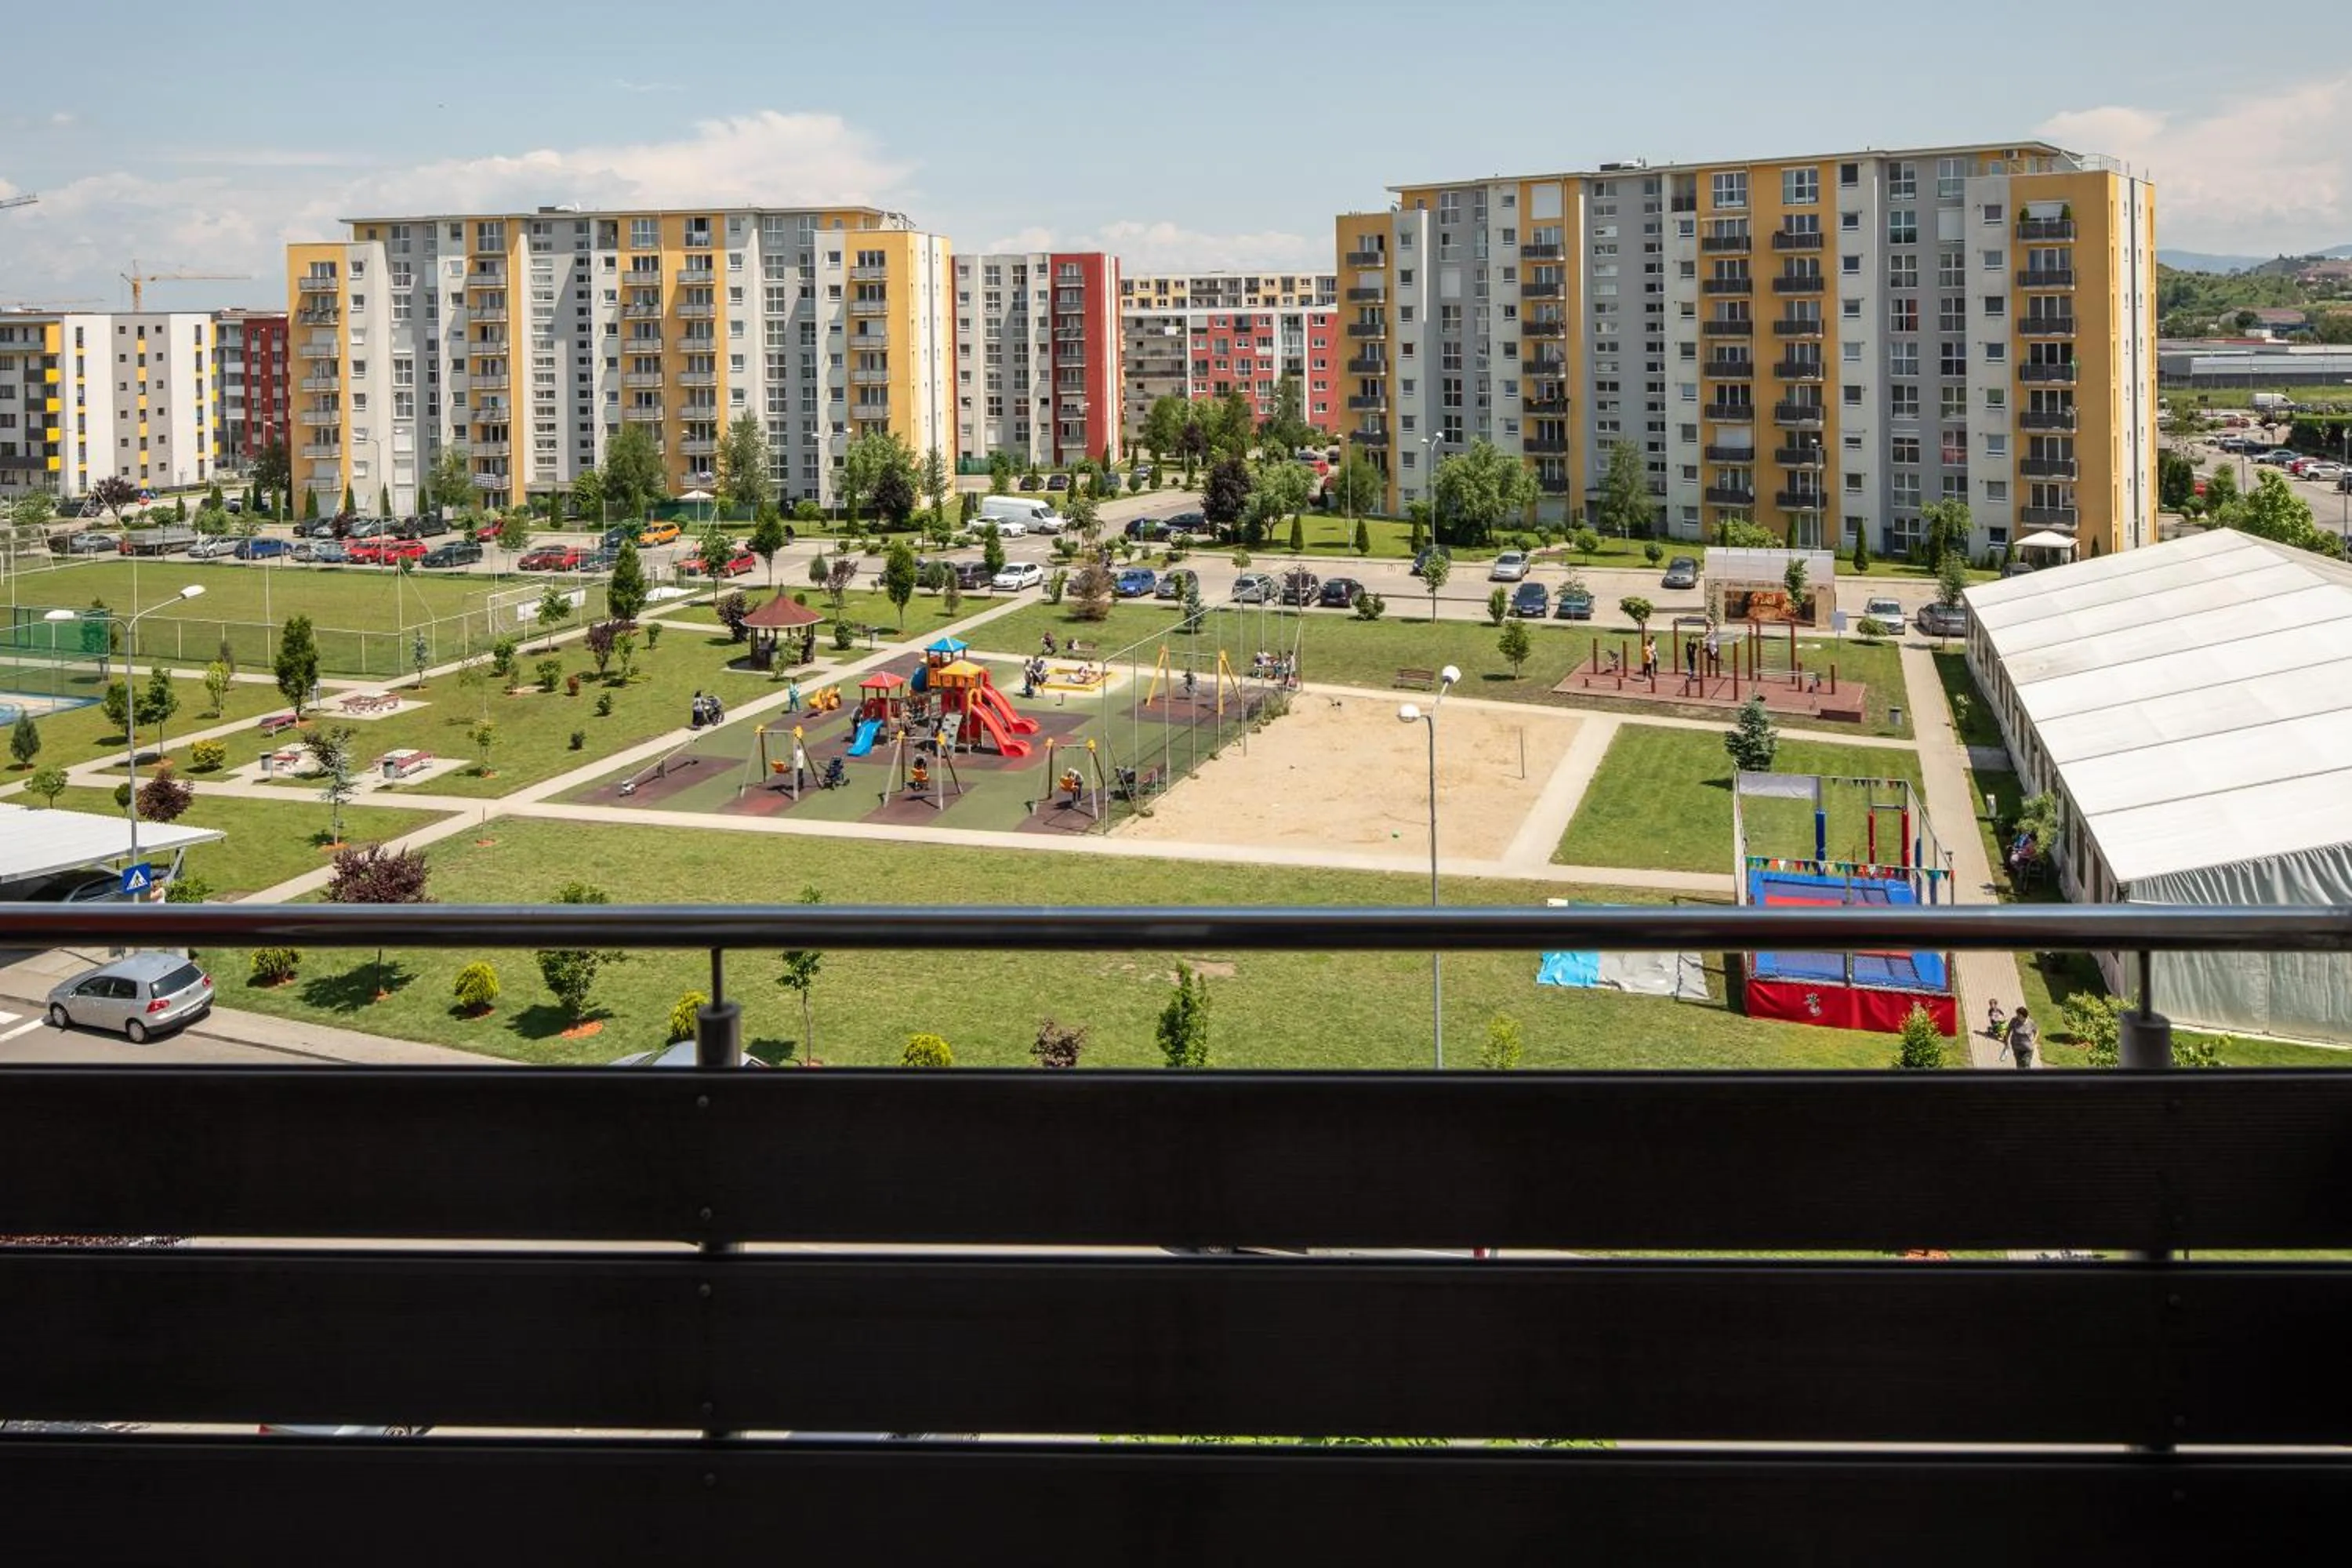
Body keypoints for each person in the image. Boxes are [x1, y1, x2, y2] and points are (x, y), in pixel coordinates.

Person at [2004, 1005, 2038, 1070]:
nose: (2017, 1017)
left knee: (2026, 1064)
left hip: (2027, 1048)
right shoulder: (2014, 1020)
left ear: (2024, 1016)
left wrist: (2033, 1041)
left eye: (2019, 1016)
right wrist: (2006, 1040)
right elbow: (2008, 1030)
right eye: (2017, 1015)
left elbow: (2037, 1032)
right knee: (2019, 1064)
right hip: (2016, 1047)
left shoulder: (2031, 1023)